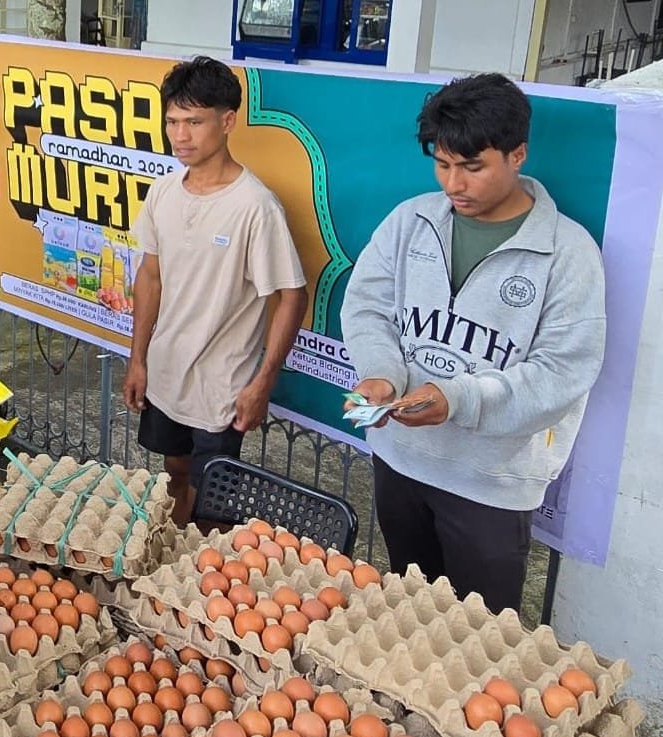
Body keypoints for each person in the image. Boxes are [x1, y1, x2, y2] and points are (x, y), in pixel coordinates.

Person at [341, 73, 606, 613]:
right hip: (400, 461)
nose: (453, 184)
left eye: (472, 166)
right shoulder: (410, 222)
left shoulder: (567, 252)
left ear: (517, 154)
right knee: (411, 611)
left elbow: (562, 371)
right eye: (442, 164)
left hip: (491, 484)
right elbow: (366, 307)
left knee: (478, 634)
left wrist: (459, 399)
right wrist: (381, 374)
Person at [121, 57, 307, 527]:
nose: (180, 135)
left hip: (221, 387)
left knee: (214, 501)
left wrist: (263, 382)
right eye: (172, 121)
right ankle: (170, 550)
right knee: (173, 473)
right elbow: (150, 276)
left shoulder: (255, 206)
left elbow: (291, 295)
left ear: (227, 122)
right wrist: (138, 358)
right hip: (166, 373)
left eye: (194, 122)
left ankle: (201, 561)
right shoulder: (163, 192)